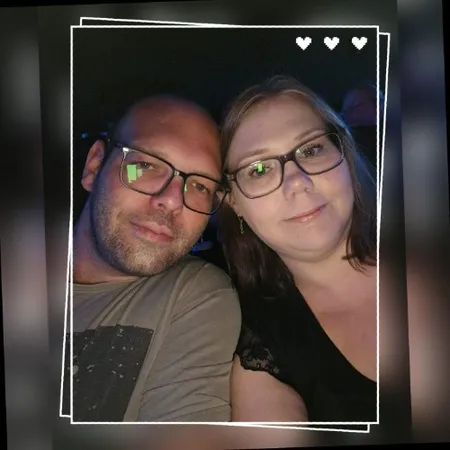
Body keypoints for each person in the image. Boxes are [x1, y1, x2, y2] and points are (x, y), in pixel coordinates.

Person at [65, 95, 241, 422]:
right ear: (94, 166)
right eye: (145, 166)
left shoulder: (195, 296)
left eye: (200, 186)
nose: (172, 201)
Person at [218, 76, 377, 422]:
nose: (297, 183)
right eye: (259, 169)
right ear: (234, 203)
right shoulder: (262, 350)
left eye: (311, 149)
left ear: (345, 155)